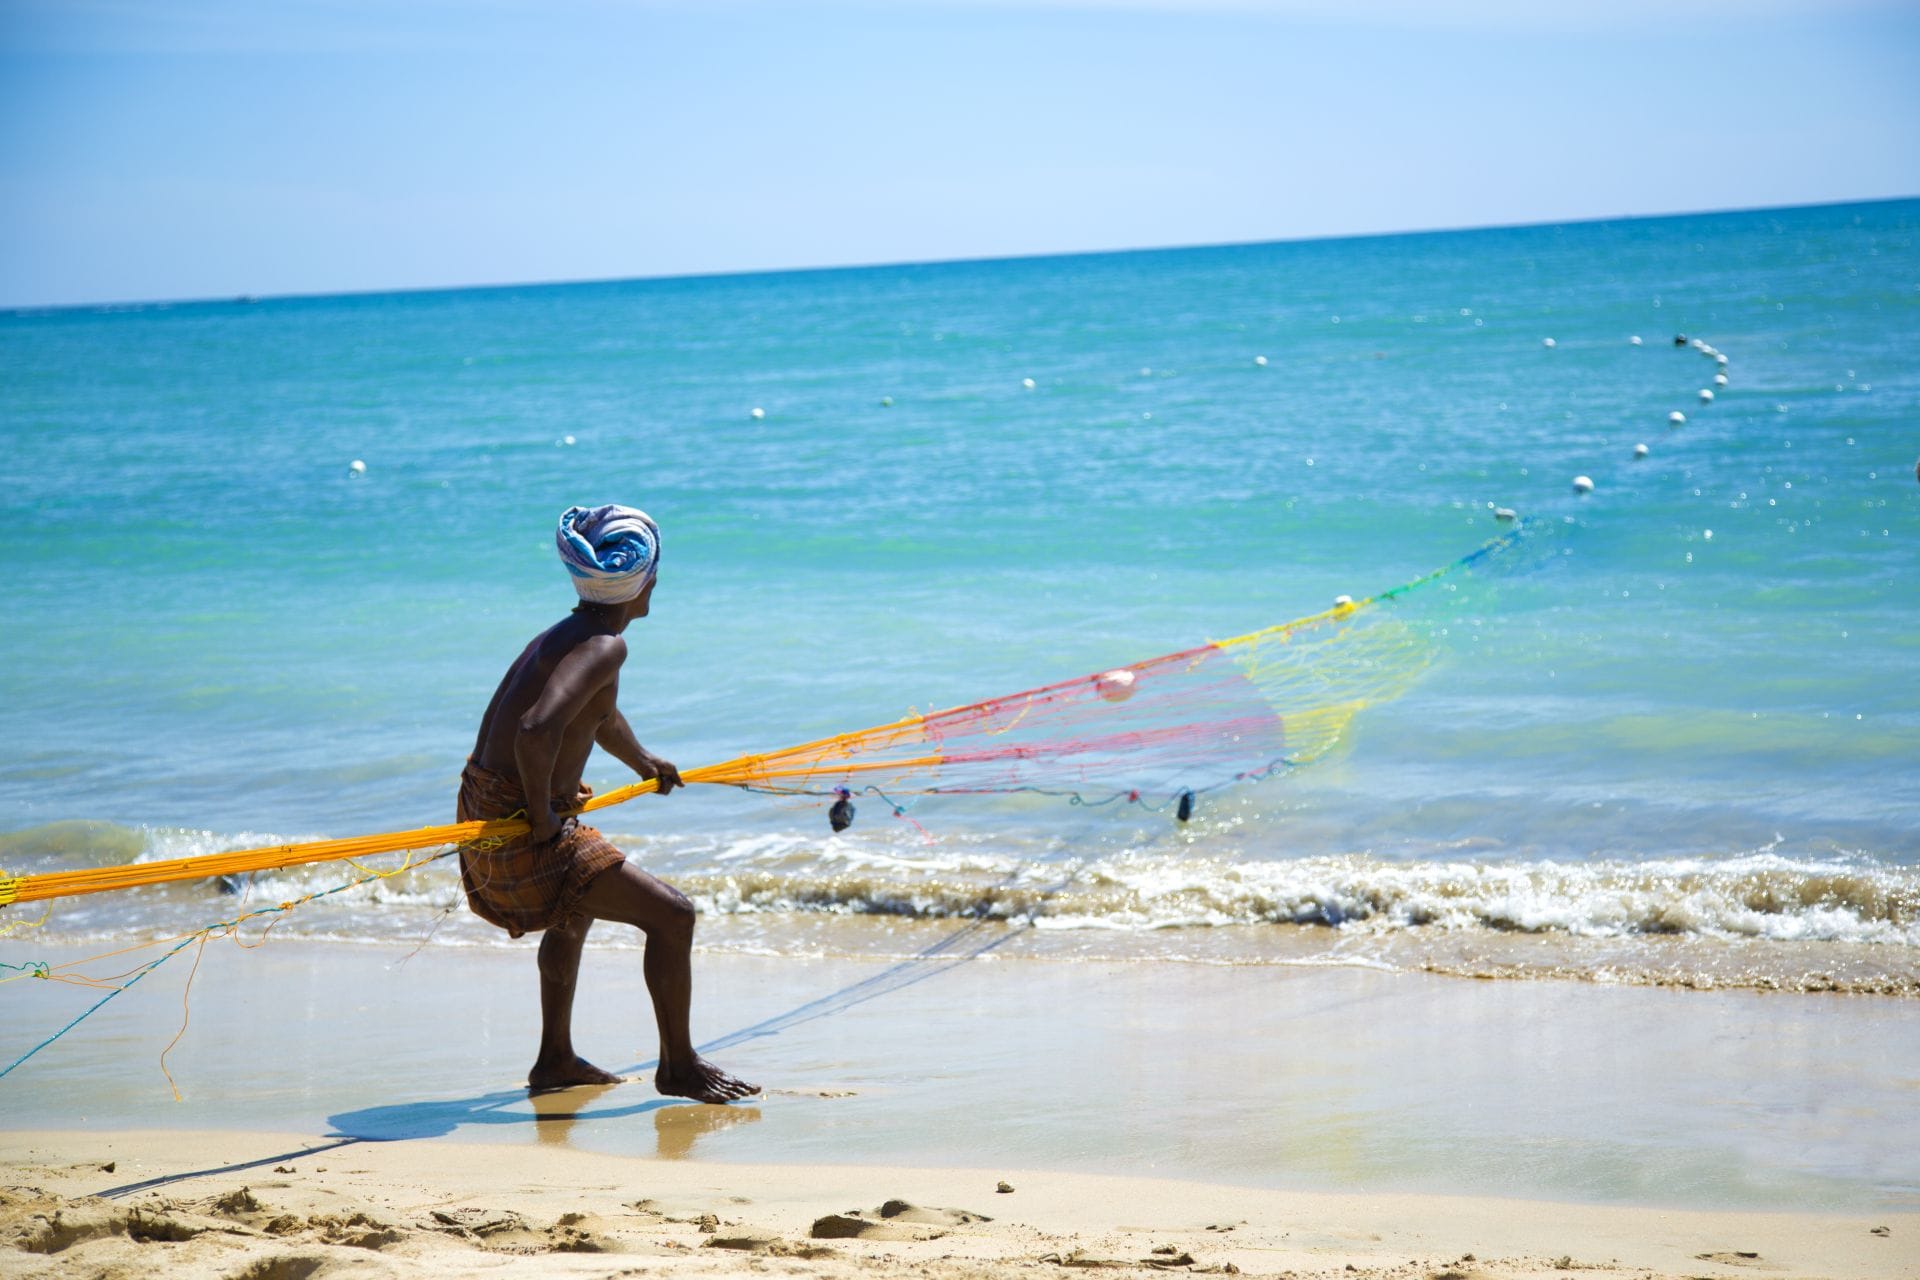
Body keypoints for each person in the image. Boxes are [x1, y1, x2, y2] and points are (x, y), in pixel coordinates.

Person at [456, 503, 758, 1102]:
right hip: (519, 823)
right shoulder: (605, 647)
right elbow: (537, 730)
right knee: (674, 916)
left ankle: (555, 1060)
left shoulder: (571, 635)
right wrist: (544, 817)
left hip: (491, 808)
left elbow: (598, 715)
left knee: (574, 911)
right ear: (644, 582)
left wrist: (644, 761)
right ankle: (678, 1067)